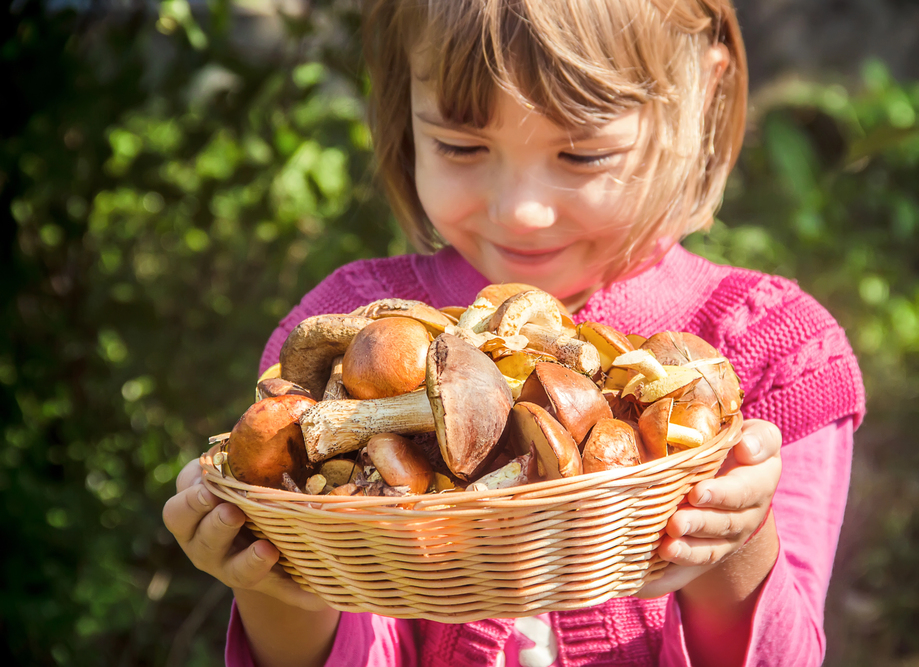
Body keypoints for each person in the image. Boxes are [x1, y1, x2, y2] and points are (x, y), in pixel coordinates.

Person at [163, 0, 866, 665]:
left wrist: (735, 540)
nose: (521, 210)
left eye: (583, 155)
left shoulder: (775, 351)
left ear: (700, 103)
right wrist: (268, 580)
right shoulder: (346, 342)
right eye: (462, 146)